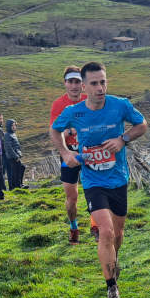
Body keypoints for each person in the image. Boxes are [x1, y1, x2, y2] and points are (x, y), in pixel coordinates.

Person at [50, 61, 148, 298]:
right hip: (93, 180)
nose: (100, 88)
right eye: (94, 83)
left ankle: (113, 263)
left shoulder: (120, 105)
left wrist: (122, 139)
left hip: (118, 177)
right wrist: (65, 154)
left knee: (117, 233)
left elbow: (142, 124)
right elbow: (55, 130)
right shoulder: (75, 112)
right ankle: (112, 288)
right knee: (104, 231)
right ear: (84, 87)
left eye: (103, 82)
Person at [51, 65, 96, 244]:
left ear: (83, 84)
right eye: (71, 81)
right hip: (69, 155)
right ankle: (73, 227)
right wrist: (69, 133)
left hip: (90, 152)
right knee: (72, 197)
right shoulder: (58, 105)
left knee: (94, 190)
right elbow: (55, 131)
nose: (74, 85)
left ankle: (95, 226)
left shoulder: (90, 99)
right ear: (65, 84)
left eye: (77, 81)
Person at [3, 117, 25, 190]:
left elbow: (16, 146)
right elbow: (8, 147)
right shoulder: (7, 135)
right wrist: (16, 156)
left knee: (20, 168)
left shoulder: (13, 134)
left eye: (15, 125)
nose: (14, 127)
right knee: (15, 172)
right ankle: (15, 186)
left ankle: (19, 184)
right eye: (12, 125)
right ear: (9, 126)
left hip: (16, 156)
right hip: (12, 157)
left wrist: (19, 154)